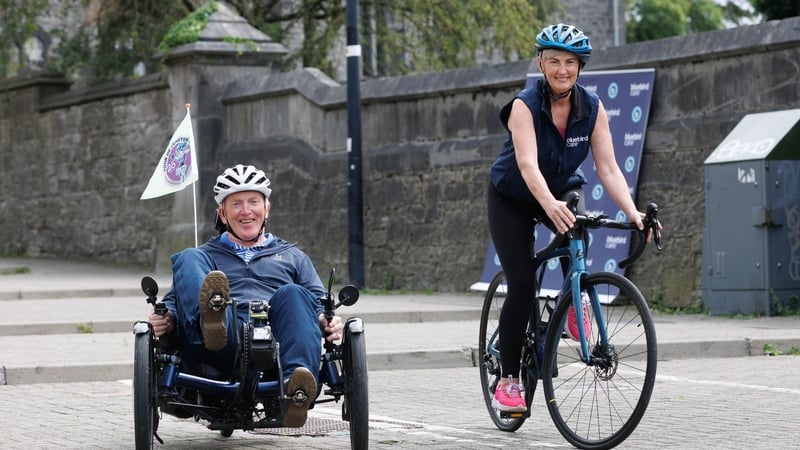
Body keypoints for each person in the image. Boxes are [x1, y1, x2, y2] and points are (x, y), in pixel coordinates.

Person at [487, 23, 649, 413]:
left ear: (580, 67)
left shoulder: (592, 109)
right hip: (512, 196)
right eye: (555, 61)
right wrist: (549, 205)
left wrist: (634, 212)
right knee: (523, 284)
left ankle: (575, 301)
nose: (563, 69)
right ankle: (508, 380)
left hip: (558, 188)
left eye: (571, 63)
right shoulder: (524, 106)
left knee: (578, 233)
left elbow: (608, 169)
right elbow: (527, 165)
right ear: (541, 63)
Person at [147, 163, 344, 427]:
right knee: (189, 256)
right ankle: (212, 317)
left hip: (276, 339)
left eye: (253, 201)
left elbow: (319, 301)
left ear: (267, 209)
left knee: (293, 293)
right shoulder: (205, 256)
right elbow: (174, 300)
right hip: (218, 342)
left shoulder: (292, 256)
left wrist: (328, 320)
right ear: (223, 214)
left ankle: (296, 383)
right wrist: (166, 317)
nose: (246, 211)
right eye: (236, 204)